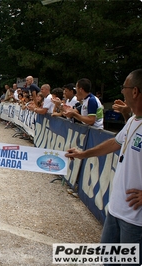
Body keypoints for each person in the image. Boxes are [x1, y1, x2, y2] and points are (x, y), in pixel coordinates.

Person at [65, 69, 142, 264]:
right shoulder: (133, 120)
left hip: (135, 219)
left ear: (135, 91)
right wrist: (83, 154)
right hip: (116, 210)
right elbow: (114, 143)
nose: (121, 92)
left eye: (124, 87)